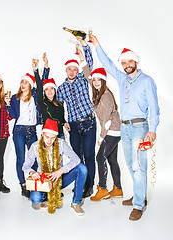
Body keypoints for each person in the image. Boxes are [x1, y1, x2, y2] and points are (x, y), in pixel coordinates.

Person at [89, 34, 160, 220]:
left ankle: (138, 205)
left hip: (139, 127)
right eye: (124, 62)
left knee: (138, 167)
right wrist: (97, 46)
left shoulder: (147, 81)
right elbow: (109, 65)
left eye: (130, 61)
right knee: (130, 164)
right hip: (124, 128)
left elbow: (154, 107)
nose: (127, 64)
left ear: (136, 61)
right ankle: (140, 196)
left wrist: (152, 129)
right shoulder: (122, 79)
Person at [77, 50, 123, 201]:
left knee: (99, 158)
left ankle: (102, 188)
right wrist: (82, 60)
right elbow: (88, 76)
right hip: (112, 132)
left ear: (104, 81)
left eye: (99, 80)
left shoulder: (106, 95)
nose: (95, 82)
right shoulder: (98, 91)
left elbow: (108, 120)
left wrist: (101, 137)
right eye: (94, 80)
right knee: (112, 160)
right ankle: (117, 188)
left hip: (112, 131)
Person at [57, 37, 96, 198]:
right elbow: (57, 107)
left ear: (77, 71)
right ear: (66, 71)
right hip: (73, 126)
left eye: (74, 69)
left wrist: (84, 47)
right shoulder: (61, 88)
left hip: (88, 123)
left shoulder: (83, 79)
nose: (72, 71)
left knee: (89, 155)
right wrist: (63, 121)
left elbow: (89, 63)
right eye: (69, 69)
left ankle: (90, 185)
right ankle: (81, 183)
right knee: (77, 157)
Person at [22, 118, 87, 215]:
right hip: (43, 181)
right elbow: (25, 166)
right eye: (47, 137)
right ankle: (47, 197)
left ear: (56, 137)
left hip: (58, 180)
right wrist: (32, 172)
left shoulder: (61, 143)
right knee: (35, 199)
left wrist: (61, 170)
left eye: (52, 138)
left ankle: (76, 203)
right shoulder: (35, 147)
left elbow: (76, 159)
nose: (49, 140)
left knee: (82, 168)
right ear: (42, 134)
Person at [5, 67, 49, 198]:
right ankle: (23, 185)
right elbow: (13, 116)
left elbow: (43, 82)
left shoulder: (35, 94)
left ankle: (34, 183)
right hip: (19, 130)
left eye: (26, 82)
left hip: (32, 130)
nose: (23, 84)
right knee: (21, 159)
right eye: (22, 82)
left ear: (30, 84)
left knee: (35, 158)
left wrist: (45, 67)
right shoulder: (14, 98)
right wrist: (8, 105)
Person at [33, 53, 70, 139]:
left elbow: (61, 119)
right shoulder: (42, 102)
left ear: (55, 90)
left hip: (60, 134)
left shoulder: (60, 104)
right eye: (46, 89)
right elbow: (39, 86)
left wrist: (65, 123)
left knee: (60, 153)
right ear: (44, 91)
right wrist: (35, 70)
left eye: (51, 88)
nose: (49, 91)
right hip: (48, 135)